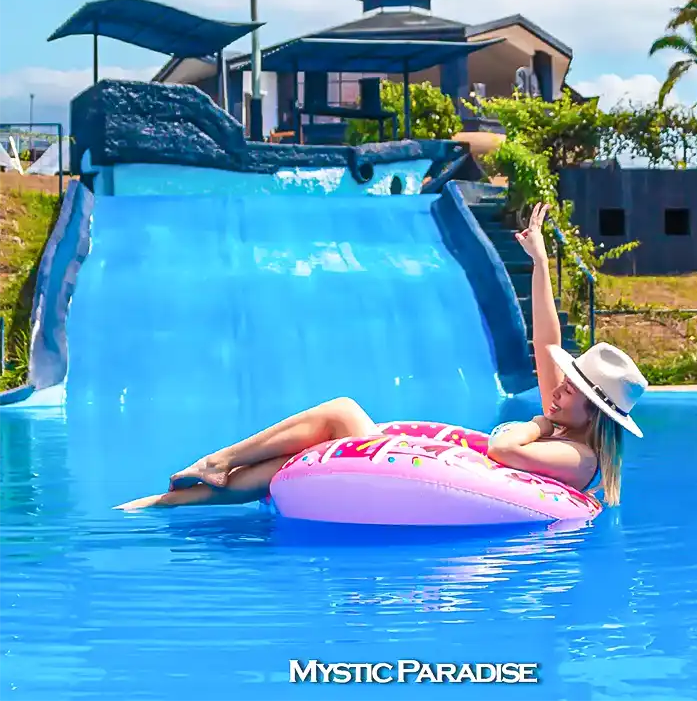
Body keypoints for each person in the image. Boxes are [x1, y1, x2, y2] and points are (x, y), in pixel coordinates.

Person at [114, 202, 647, 512]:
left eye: (570, 389)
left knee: (342, 412)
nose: (557, 386)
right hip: (436, 466)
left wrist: (530, 423)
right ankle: (172, 504)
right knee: (290, 462)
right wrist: (541, 265)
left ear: (594, 412)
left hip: (436, 484)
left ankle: (219, 461)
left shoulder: (578, 457)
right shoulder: (567, 424)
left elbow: (506, 450)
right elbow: (545, 341)